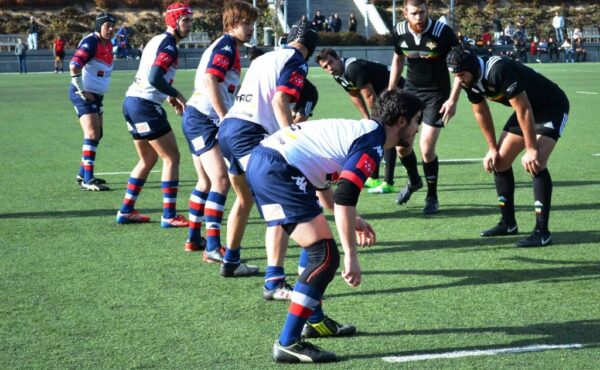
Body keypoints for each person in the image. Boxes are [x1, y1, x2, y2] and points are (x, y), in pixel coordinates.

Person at [244, 88, 424, 363]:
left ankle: (314, 322)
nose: (417, 128)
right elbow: (345, 196)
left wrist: (356, 221)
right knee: (325, 255)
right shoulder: (372, 142)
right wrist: (351, 257)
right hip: (278, 169)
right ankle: (288, 342)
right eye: (416, 121)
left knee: (315, 246)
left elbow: (326, 190)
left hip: (269, 162)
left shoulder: (364, 132)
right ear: (401, 121)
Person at [217, 20, 318, 282]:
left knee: (244, 199)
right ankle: (280, 279)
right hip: (249, 133)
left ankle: (231, 262)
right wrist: (289, 140)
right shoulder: (297, 60)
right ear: (311, 46)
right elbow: (279, 99)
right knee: (282, 202)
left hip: (229, 127)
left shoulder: (265, 58)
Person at [446, 46, 570, 247]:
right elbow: (480, 112)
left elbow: (524, 110)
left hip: (550, 107)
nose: (458, 80)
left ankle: (541, 232)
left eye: (461, 74)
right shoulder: (467, 78)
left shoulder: (498, 70)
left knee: (536, 162)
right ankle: (508, 223)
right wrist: (492, 148)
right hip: (526, 108)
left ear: (471, 67)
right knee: (499, 162)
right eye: (455, 76)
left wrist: (531, 150)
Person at [182, 1, 258, 258]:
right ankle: (213, 247)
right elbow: (210, 79)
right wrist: (225, 117)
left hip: (197, 117)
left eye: (253, 24)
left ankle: (194, 239)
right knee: (221, 180)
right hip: (204, 118)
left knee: (206, 181)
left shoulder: (228, 47)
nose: (250, 29)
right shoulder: (226, 45)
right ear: (232, 23)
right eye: (246, 23)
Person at [116, 3, 193, 227]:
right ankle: (169, 215)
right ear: (174, 21)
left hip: (131, 102)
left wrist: (167, 95)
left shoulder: (157, 40)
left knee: (148, 159)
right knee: (172, 158)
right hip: (145, 105)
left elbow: (154, 75)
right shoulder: (169, 45)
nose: (190, 25)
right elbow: (154, 77)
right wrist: (176, 93)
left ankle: (126, 210)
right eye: (185, 20)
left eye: (190, 20)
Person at [388, 0, 461, 214]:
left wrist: (453, 100)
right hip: (410, 92)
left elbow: (461, 65)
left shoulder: (442, 32)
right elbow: (398, 59)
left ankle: (432, 196)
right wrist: (392, 89)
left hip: (437, 94)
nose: (419, 17)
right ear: (405, 13)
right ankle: (413, 181)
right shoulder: (399, 31)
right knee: (402, 145)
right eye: (414, 13)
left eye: (423, 12)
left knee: (426, 147)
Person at [316, 47, 405, 194]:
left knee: (387, 134)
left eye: (331, 63)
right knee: (374, 132)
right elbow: (353, 93)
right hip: (385, 99)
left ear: (338, 58)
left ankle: (388, 182)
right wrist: (366, 117)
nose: (330, 68)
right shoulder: (338, 74)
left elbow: (369, 96)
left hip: (399, 94)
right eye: (325, 67)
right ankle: (375, 178)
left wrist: (378, 120)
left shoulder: (353, 68)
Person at [69, 13, 116, 191]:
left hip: (97, 96)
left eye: (113, 26)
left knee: (98, 133)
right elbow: (74, 65)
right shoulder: (91, 43)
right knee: (91, 134)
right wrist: (81, 90)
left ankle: (83, 175)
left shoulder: (108, 43)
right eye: (107, 26)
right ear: (98, 26)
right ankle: (88, 180)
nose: (111, 29)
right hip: (84, 95)